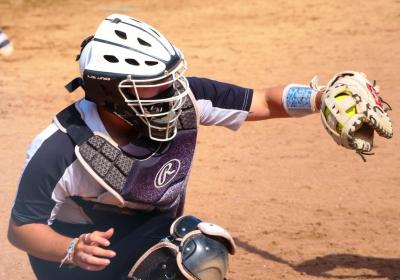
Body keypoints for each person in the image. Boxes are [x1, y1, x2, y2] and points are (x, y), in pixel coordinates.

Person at [7, 14, 391, 280]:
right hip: (75, 261)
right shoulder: (62, 148)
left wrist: (319, 97)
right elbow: (22, 227)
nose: (174, 90)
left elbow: (261, 101)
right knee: (182, 253)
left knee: (197, 252)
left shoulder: (182, 102)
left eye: (172, 78)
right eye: (157, 83)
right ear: (112, 94)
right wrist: (72, 248)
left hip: (146, 233)